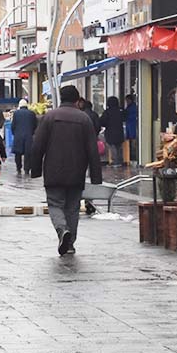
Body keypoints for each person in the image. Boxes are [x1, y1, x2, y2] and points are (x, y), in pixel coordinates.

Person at [28, 85, 103, 255]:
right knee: (72, 207)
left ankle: (62, 230)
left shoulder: (50, 117)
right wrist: (96, 176)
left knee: (55, 204)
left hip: (53, 170)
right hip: (77, 171)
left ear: (61, 99)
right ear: (78, 100)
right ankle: (70, 244)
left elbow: (38, 145)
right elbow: (92, 149)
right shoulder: (84, 119)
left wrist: (35, 170)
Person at [11, 99, 37, 176]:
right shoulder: (32, 113)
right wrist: (32, 133)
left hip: (18, 136)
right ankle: (27, 169)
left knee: (18, 154)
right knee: (27, 154)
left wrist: (14, 133)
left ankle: (18, 168)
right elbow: (35, 125)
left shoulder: (16, 113)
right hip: (28, 136)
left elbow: (13, 125)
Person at [101, 96, 126, 166]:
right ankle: (120, 161)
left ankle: (115, 162)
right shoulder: (120, 111)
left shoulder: (107, 112)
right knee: (119, 147)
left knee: (112, 147)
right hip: (120, 131)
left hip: (110, 132)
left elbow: (102, 122)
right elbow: (124, 118)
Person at [123, 94, 138, 164]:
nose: (126, 101)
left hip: (132, 126)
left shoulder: (132, 107)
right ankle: (131, 157)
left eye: (127, 100)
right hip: (130, 126)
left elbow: (131, 116)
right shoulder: (130, 107)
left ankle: (134, 157)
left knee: (133, 143)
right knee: (131, 142)